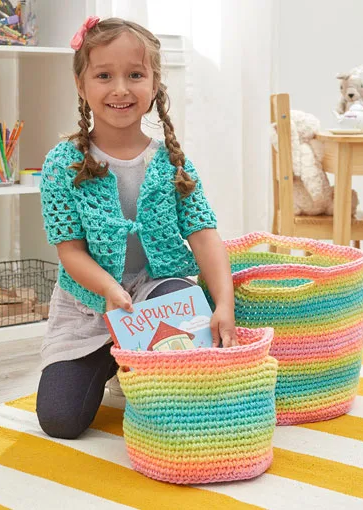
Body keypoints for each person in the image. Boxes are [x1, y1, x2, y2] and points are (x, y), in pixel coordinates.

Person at [36, 16, 236, 440]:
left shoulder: (170, 162)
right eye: (104, 75)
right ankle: (114, 360)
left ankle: (145, 362)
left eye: (135, 75)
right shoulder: (63, 163)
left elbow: (204, 234)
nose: (121, 89)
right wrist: (109, 290)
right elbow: (70, 251)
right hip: (90, 302)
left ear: (154, 83)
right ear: (81, 83)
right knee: (60, 421)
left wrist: (224, 302)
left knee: (179, 294)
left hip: (153, 290)